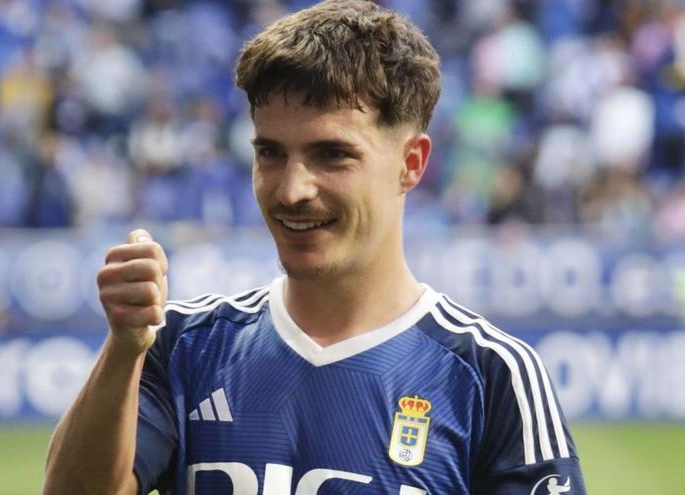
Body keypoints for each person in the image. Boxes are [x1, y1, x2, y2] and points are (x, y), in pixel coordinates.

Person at [43, 1, 587, 493]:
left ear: (411, 163)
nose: (292, 190)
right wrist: (123, 349)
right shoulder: (181, 347)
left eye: (332, 155)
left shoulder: (491, 375)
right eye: (271, 154)